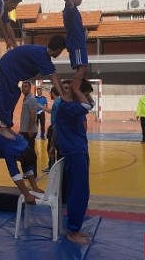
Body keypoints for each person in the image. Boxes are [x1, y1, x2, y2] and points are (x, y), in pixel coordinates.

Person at [0, 35, 66, 140]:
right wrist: (63, 95)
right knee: (7, 97)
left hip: (12, 72)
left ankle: (6, 126)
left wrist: (64, 92)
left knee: (15, 94)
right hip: (8, 69)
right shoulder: (42, 55)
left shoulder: (44, 55)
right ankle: (3, 128)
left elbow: (55, 74)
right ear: (59, 49)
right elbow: (53, 77)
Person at [54, 78, 94, 244]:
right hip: (74, 152)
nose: (87, 97)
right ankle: (72, 231)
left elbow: (90, 104)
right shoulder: (66, 106)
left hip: (79, 151)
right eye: (85, 94)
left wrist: (79, 86)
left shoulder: (73, 105)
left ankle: (75, 227)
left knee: (83, 192)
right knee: (77, 192)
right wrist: (76, 89)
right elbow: (87, 105)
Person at [59, 0, 88, 80]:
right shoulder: (69, 9)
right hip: (76, 44)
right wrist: (67, 0)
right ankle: (73, 88)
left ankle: (78, 87)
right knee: (81, 69)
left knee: (84, 70)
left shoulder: (75, 11)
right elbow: (70, 4)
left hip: (80, 44)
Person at [19, 81, 38, 178]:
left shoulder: (31, 99)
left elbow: (33, 114)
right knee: (25, 151)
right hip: (24, 130)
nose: (23, 88)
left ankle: (33, 173)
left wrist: (30, 129)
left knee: (30, 152)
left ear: (30, 88)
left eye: (25, 86)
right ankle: (28, 172)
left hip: (29, 131)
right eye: (22, 86)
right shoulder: (26, 99)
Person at [39, 87, 62, 173]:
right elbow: (52, 111)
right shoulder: (57, 102)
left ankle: (52, 167)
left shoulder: (57, 102)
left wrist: (54, 127)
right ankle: (54, 166)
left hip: (55, 128)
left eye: (50, 93)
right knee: (53, 148)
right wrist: (41, 106)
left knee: (52, 148)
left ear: (53, 92)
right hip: (54, 127)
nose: (49, 94)